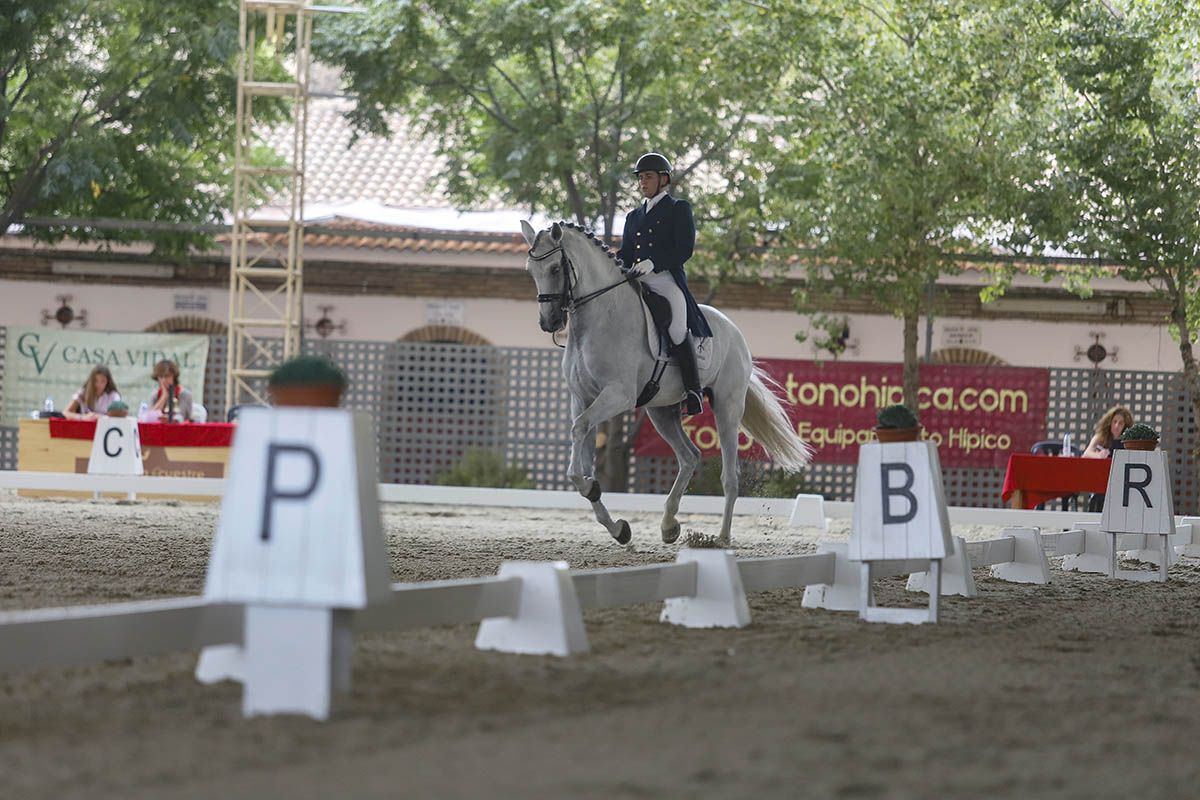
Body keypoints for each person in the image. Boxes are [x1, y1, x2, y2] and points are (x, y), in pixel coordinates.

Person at [617, 152, 713, 416]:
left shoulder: (678, 209)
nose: (642, 182)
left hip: (665, 279)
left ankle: (693, 390)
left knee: (677, 328)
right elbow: (626, 253)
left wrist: (654, 263)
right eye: (640, 178)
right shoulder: (633, 216)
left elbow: (684, 249)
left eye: (648, 177)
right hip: (636, 280)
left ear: (663, 179)